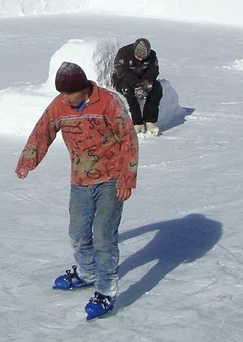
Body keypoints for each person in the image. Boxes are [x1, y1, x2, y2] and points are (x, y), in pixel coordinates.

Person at [15, 62, 139, 320]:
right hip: (80, 181)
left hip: (110, 179)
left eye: (69, 93)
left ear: (82, 88)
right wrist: (28, 160)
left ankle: (106, 289)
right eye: (61, 93)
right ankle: (87, 272)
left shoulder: (108, 103)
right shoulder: (60, 106)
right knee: (78, 233)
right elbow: (43, 131)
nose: (64, 98)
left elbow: (128, 138)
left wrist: (126, 178)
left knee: (104, 236)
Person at [112, 38, 163, 135]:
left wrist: (147, 82)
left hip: (142, 79)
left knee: (156, 88)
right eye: (137, 57)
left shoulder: (152, 56)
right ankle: (137, 122)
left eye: (142, 58)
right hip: (124, 80)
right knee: (129, 93)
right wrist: (136, 85)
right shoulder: (124, 53)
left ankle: (150, 121)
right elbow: (122, 72)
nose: (140, 59)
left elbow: (154, 70)